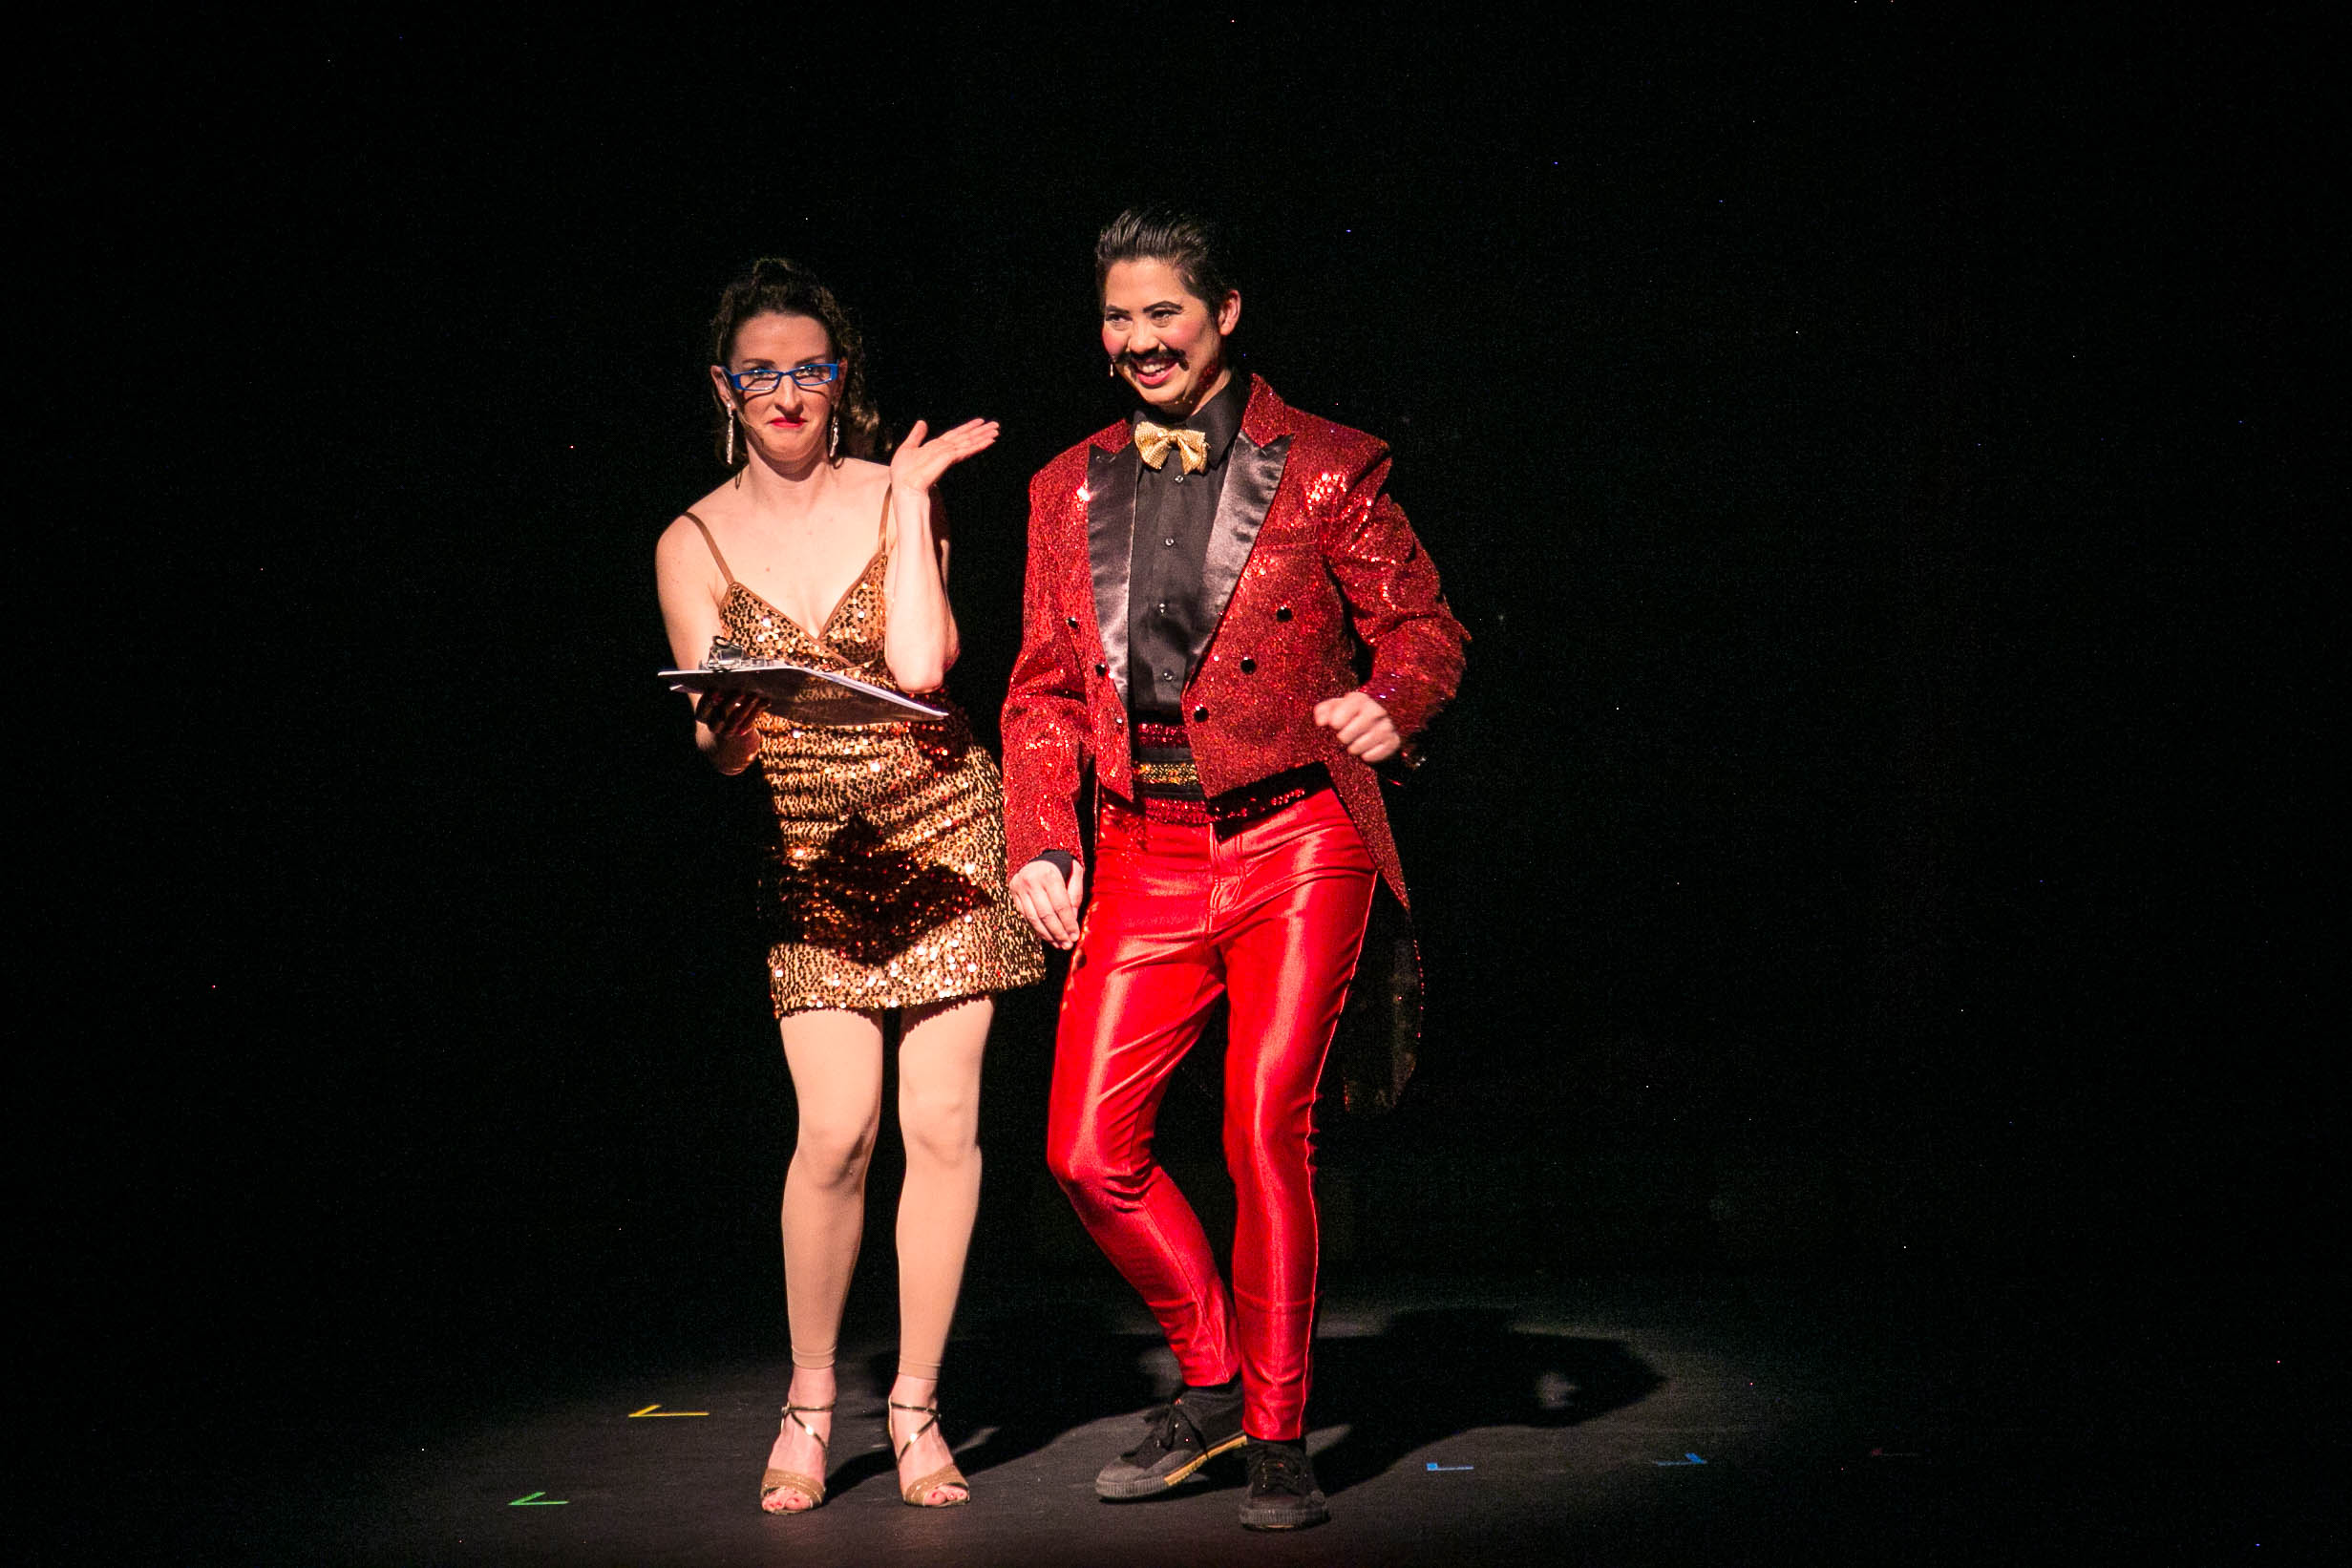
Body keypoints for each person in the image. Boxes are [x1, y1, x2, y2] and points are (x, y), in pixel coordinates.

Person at [1001, 208, 1467, 1531]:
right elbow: (1040, 692)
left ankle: (1277, 1428)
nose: (1140, 340)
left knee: (1265, 1125)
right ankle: (1211, 1377)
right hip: (1142, 849)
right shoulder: (1064, 485)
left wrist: (1394, 701)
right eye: (1119, 317)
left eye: (1165, 313)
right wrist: (1042, 838)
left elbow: (1425, 627)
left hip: (1298, 836)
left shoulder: (1325, 464)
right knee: (1086, 1152)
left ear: (1226, 313)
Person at [655, 257, 1044, 1515]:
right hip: (816, 851)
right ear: (726, 387)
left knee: (942, 1124)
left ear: (840, 381)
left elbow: (926, 665)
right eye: (760, 372)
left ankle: (916, 1404)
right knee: (836, 1131)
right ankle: (811, 1399)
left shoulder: (895, 488)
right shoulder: (690, 541)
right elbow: (723, 752)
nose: (786, 392)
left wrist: (911, 503)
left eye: (808, 369)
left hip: (944, 833)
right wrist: (721, 726)